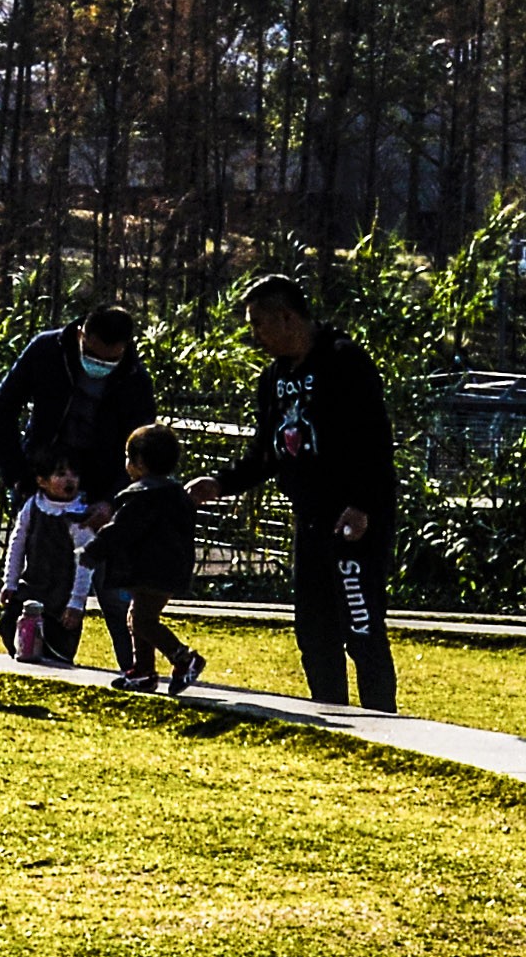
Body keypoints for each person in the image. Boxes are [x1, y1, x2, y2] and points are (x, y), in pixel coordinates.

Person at [235, 271, 403, 713]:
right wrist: (221, 482)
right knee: (314, 632)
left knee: (361, 629)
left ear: (287, 317)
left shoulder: (344, 361)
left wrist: (362, 505)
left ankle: (383, 723)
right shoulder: (273, 378)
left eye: (258, 324)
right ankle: (332, 712)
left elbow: (375, 441)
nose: (255, 336)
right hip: (309, 521)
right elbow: (265, 451)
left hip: (354, 522)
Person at [0, 301, 166, 510]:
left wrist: (111, 500)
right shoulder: (46, 351)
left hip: (99, 486)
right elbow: (1, 409)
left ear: (124, 348)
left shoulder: (136, 380)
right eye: (93, 355)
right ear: (81, 335)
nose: (99, 364)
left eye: (111, 359)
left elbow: (140, 447)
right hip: (41, 476)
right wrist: (16, 474)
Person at [95, 425, 211, 696]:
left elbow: (122, 528)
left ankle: (183, 658)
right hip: (162, 569)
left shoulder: (144, 496)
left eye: (128, 457)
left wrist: (95, 548)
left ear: (139, 463)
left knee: (143, 620)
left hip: (154, 570)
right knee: (137, 616)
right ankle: (143, 671)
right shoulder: (172, 494)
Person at [0, 448, 93, 671]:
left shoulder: (78, 514)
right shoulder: (33, 505)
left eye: (74, 475)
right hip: (32, 585)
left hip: (61, 594)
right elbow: (18, 542)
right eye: (60, 474)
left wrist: (76, 602)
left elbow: (85, 561)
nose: (69, 480)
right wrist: (10, 582)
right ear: (42, 481)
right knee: (15, 629)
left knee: (57, 646)